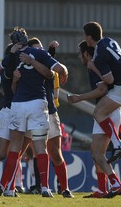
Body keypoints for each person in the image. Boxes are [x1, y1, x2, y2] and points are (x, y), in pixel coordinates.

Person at [0, 27, 68, 198]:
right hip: (37, 104)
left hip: (17, 105)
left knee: (15, 149)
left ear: (13, 42)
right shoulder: (38, 53)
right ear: (26, 39)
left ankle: (9, 189)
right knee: (41, 147)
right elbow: (58, 69)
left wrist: (11, 55)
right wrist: (64, 73)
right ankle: (46, 188)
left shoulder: (12, 56)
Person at [68, 41, 121, 198]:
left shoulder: (94, 65)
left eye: (80, 53)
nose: (80, 56)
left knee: (97, 154)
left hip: (106, 111)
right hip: (111, 110)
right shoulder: (100, 63)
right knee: (97, 153)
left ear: (86, 53)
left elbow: (102, 89)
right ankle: (102, 189)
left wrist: (79, 98)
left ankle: (116, 183)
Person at [83, 21, 121, 165]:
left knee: (98, 113)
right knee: (115, 111)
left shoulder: (98, 54)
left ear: (89, 37)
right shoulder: (109, 41)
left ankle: (118, 145)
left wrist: (94, 67)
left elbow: (109, 79)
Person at [26, 37, 74, 198]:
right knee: (29, 152)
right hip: (32, 112)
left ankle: (64, 188)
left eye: (41, 49)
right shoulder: (24, 69)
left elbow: (53, 69)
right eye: (35, 49)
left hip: (50, 112)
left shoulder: (45, 65)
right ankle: (23, 186)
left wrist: (51, 53)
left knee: (55, 153)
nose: (39, 52)